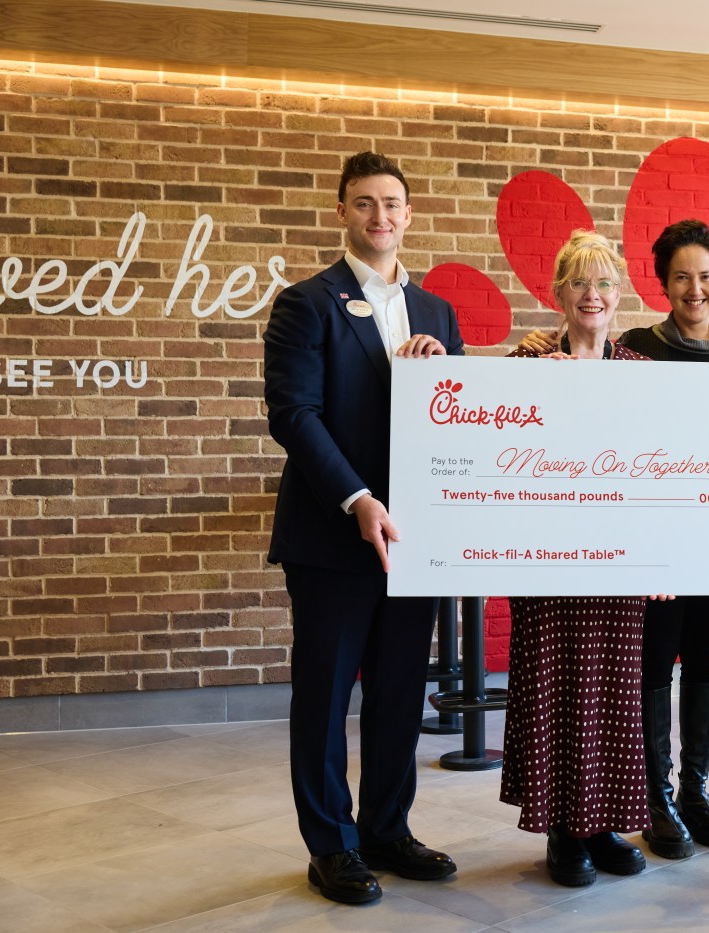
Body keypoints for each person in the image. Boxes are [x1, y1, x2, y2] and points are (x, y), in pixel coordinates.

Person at [522, 218, 709, 859]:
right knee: (635, 670)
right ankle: (646, 803)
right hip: (623, 550)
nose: (694, 288)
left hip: (705, 538)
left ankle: (689, 795)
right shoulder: (631, 351)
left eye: (705, 276)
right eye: (682, 276)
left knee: (691, 664)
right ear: (661, 283)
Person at [264, 151, 462, 905]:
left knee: (398, 692)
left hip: (414, 539)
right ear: (342, 211)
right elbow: (295, 415)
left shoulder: (437, 312)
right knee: (324, 697)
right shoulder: (306, 303)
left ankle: (387, 829)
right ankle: (332, 846)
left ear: (409, 214)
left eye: (392, 203)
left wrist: (440, 374)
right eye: (364, 203)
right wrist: (357, 498)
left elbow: (457, 418)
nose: (380, 216)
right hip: (333, 535)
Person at [499, 230, 658, 887]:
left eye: (604, 283)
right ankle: (563, 828)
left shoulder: (641, 370)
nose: (592, 294)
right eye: (579, 283)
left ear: (619, 294)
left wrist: (659, 557)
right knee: (553, 683)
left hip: (617, 558)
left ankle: (603, 822)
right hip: (546, 553)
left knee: (614, 688)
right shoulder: (529, 359)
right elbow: (500, 450)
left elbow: (661, 467)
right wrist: (539, 392)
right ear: (558, 293)